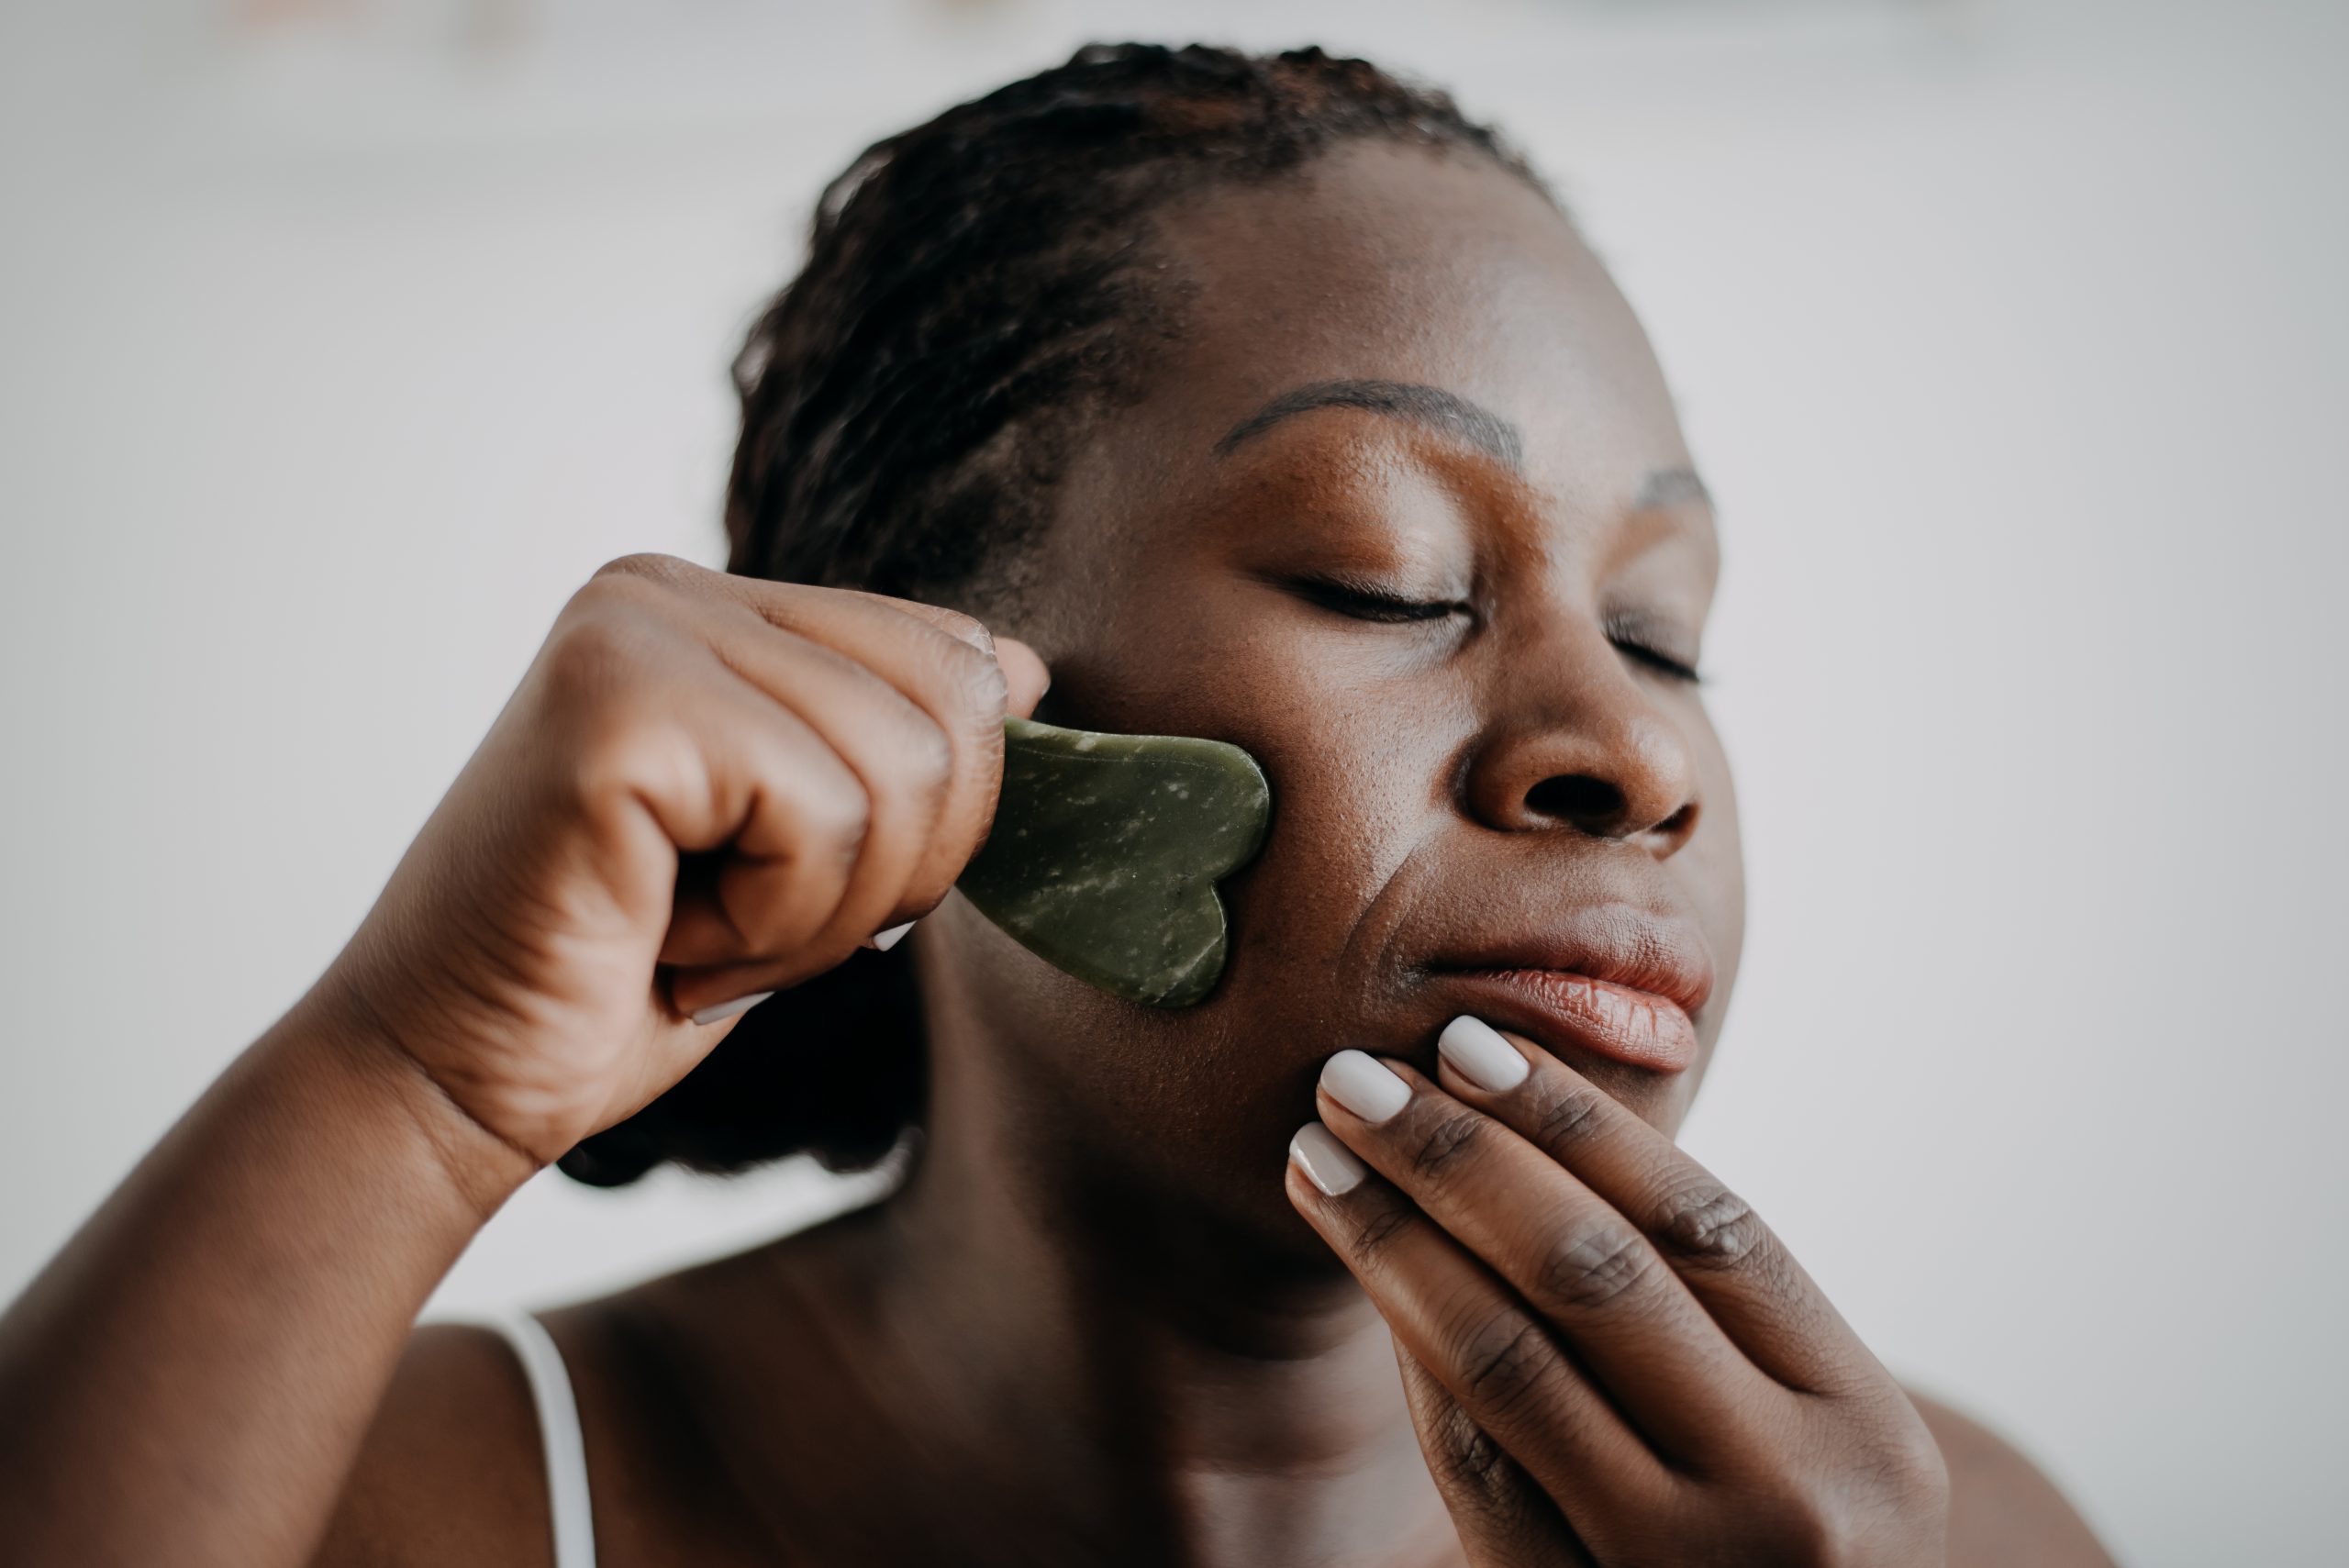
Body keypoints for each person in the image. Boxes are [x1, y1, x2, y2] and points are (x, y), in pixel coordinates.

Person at [0, 42, 2116, 1568]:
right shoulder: (389, 1508)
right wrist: (410, 1072)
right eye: (1385, 575)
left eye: (1660, 632)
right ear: (913, 717)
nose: (1629, 751)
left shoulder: (1962, 1539)